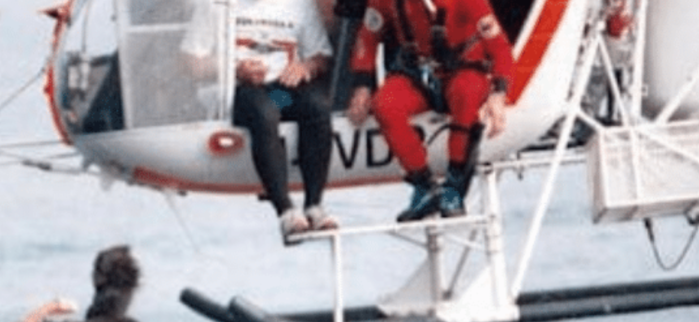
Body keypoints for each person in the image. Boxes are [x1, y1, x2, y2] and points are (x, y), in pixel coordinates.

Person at [183, 0, 340, 242]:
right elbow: (191, 63)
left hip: (279, 91)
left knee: (317, 107)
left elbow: (321, 57)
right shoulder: (215, 4)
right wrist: (234, 69)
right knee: (264, 113)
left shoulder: (299, 5)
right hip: (234, 88)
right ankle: (286, 211)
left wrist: (305, 67)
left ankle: (314, 206)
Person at [345, 0, 514, 222]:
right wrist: (362, 86)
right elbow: (366, 38)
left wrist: (498, 94)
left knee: (467, 95)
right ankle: (424, 186)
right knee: (385, 105)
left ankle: (454, 188)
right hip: (418, 74)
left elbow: (500, 48)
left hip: (463, 71)